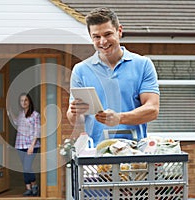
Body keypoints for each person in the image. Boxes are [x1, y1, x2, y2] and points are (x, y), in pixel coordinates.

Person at [67, 7, 160, 146]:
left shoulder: (143, 65)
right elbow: (75, 121)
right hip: (95, 156)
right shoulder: (81, 70)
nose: (103, 41)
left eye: (108, 34)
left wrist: (119, 118)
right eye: (96, 37)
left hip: (135, 154)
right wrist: (74, 112)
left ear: (119, 31)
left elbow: (152, 109)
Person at [8, 92, 40, 196]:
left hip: (31, 145)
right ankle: (29, 188)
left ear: (29, 101)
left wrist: (32, 145)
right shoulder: (21, 114)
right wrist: (10, 112)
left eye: (25, 100)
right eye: (22, 101)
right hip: (20, 144)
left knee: (27, 166)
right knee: (25, 167)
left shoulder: (35, 115)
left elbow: (37, 131)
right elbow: (16, 122)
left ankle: (34, 185)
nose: (24, 102)